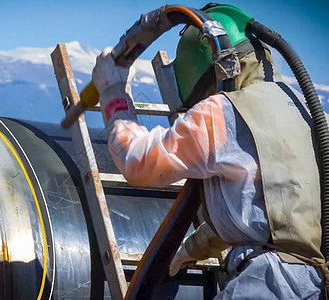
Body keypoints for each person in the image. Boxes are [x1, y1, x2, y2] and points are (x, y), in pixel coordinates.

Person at [91, 4, 325, 299]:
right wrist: (189, 250)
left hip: (265, 285)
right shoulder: (306, 114)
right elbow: (260, 217)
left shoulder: (225, 110)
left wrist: (112, 92)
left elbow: (138, 161)